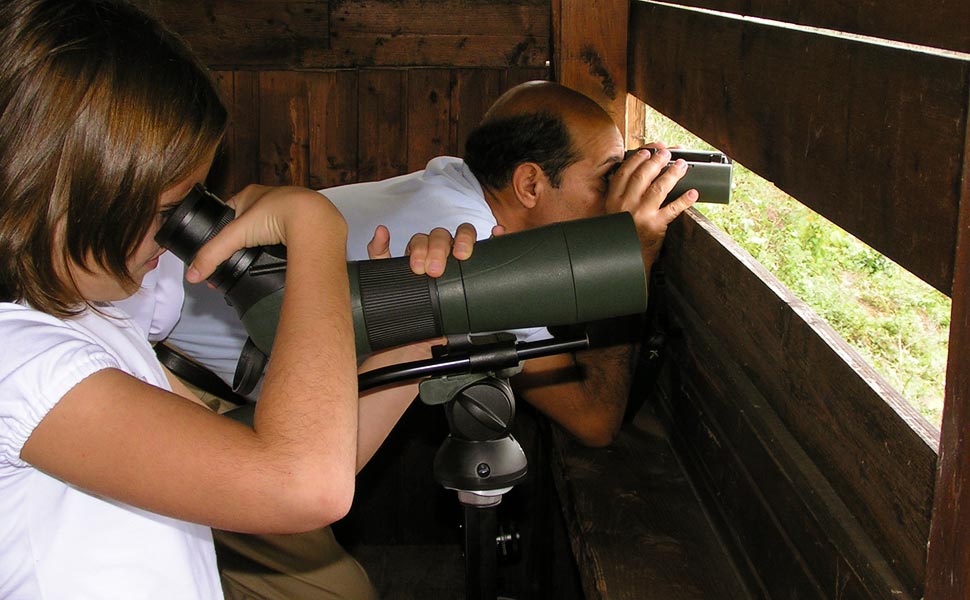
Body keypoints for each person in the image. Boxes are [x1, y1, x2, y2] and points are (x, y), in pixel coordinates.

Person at [0, 2, 475, 599]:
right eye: (165, 212)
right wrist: (314, 229)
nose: (178, 233)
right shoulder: (20, 361)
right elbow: (303, 484)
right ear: (75, 190)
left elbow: (313, 458)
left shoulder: (93, 325)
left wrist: (414, 327)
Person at [167, 80, 696, 448]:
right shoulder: (470, 250)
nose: (614, 195)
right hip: (191, 402)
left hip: (218, 379)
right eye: (607, 177)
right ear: (530, 183)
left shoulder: (452, 184)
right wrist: (631, 255)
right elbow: (594, 418)